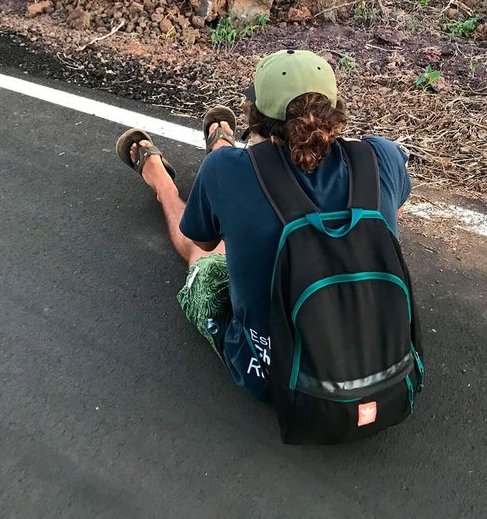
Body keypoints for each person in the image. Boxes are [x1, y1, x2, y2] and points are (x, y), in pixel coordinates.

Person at [115, 49, 412, 402]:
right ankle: (219, 144)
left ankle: (163, 182)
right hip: (388, 370)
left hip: (281, 378)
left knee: (205, 261)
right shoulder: (382, 156)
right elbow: (396, 210)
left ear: (255, 117)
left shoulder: (228, 171)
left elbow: (205, 242)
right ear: (335, 108)